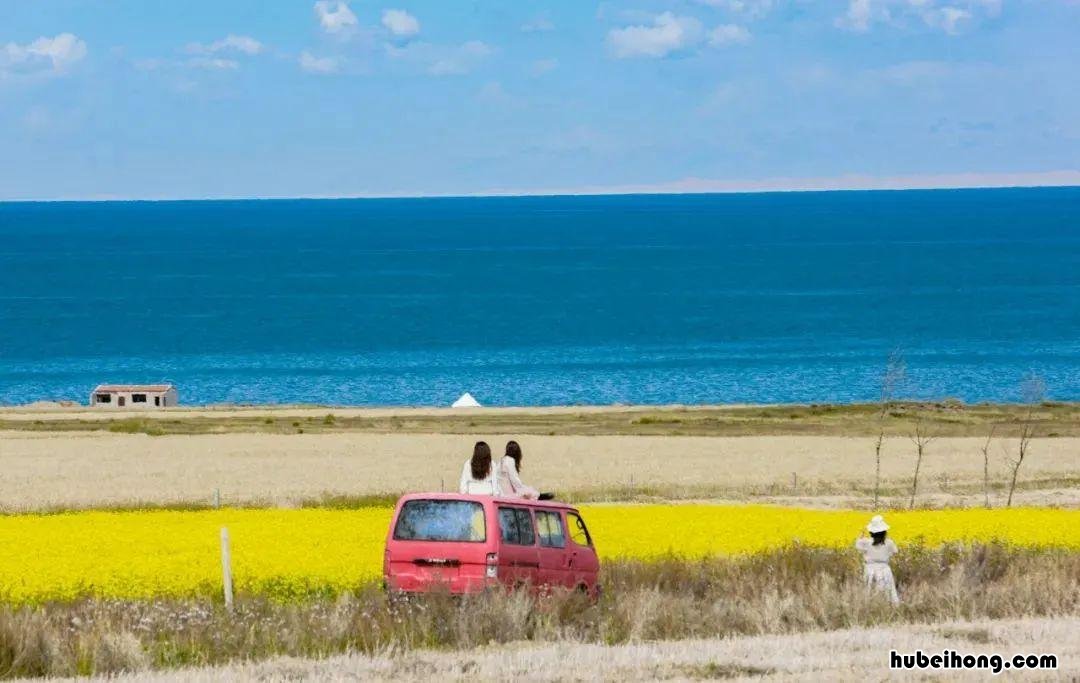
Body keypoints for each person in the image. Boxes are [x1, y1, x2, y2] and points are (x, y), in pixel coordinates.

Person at [855, 514, 899, 605]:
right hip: (884, 569)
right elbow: (895, 551)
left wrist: (861, 535)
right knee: (887, 592)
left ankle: (870, 607)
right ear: (884, 531)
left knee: (869, 590)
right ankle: (887, 606)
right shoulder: (889, 542)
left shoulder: (866, 542)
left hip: (870, 569)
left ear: (871, 532)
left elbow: (857, 545)